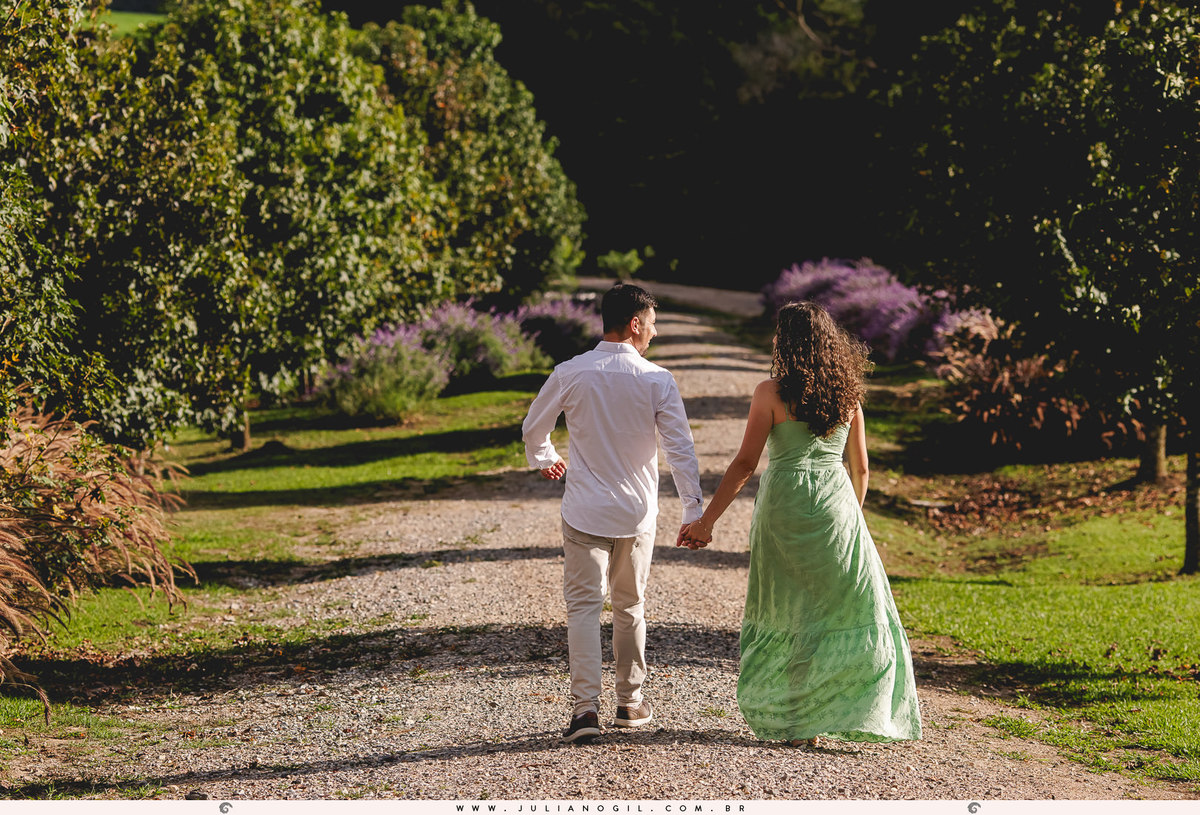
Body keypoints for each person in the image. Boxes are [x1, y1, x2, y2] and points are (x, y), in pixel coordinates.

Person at [679, 301, 921, 746]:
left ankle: (792, 720)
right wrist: (851, 518)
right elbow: (862, 470)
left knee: (787, 606)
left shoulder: (769, 393)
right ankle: (835, 709)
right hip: (835, 505)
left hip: (785, 506)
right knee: (837, 607)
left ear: (784, 342)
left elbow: (745, 463)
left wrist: (706, 522)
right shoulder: (849, 394)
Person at [522, 283, 703, 743]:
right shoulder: (657, 379)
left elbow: (533, 427)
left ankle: (585, 712)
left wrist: (545, 458)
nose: (655, 334)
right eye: (653, 325)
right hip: (637, 515)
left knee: (582, 609)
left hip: (584, 510)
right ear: (635, 323)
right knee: (630, 606)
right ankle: (629, 701)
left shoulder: (570, 372)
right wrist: (692, 509)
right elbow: (680, 450)